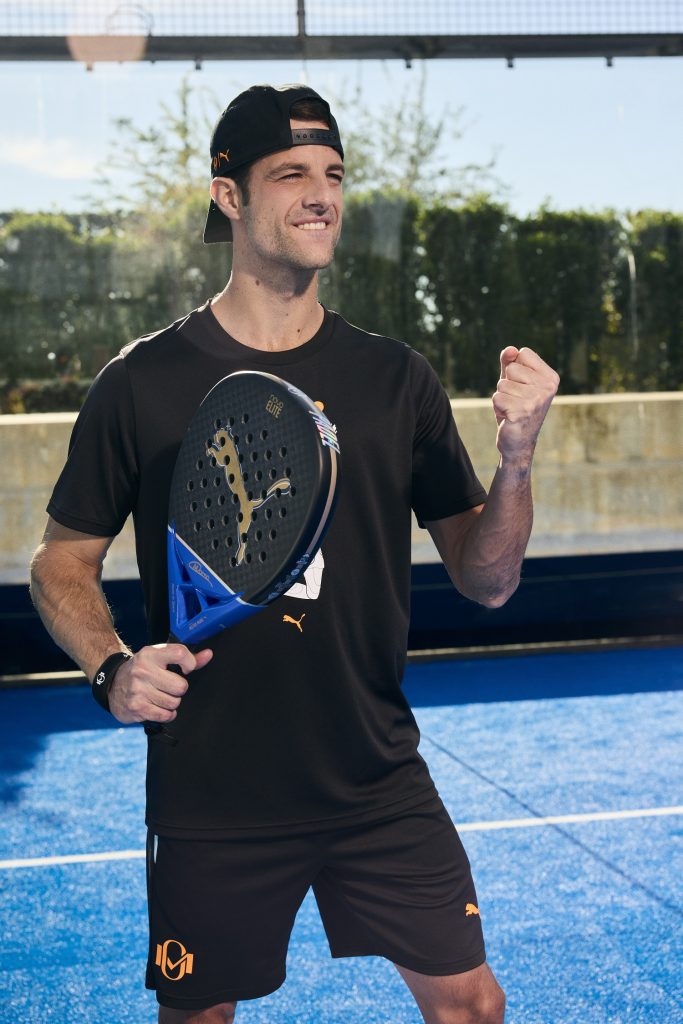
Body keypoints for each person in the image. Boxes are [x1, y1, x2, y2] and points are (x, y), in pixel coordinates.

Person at [30, 84, 559, 1024]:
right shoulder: (140, 382)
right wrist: (110, 667)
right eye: (289, 175)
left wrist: (515, 460)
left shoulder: (395, 378)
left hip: (375, 776)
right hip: (212, 790)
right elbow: (59, 562)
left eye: (333, 174)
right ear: (228, 196)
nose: (321, 195)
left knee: (472, 1007)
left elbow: (487, 580)